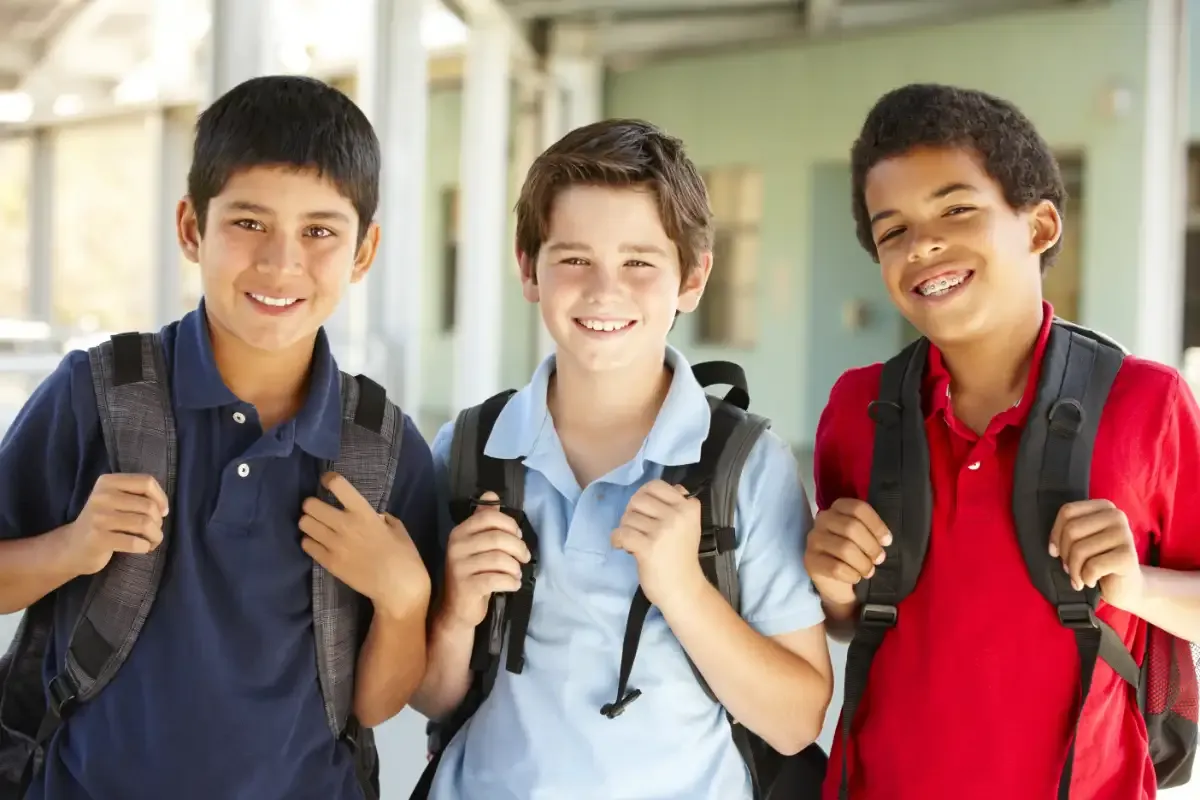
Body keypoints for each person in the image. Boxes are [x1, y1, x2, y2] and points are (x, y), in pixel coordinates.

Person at [0, 75, 437, 800]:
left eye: (320, 232)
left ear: (364, 251)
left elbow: (376, 706)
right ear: (191, 228)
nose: (280, 262)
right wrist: (70, 548)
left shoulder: (381, 449)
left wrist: (404, 601)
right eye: (248, 222)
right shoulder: (100, 395)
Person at [409, 118, 833, 800]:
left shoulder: (745, 466)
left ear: (692, 279)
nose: (605, 290)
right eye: (573, 258)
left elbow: (796, 721)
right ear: (528, 269)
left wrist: (685, 591)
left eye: (640, 262)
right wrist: (458, 610)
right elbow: (431, 699)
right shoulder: (467, 451)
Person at [804, 82, 1200, 800]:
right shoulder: (858, 407)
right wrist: (832, 588)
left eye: (957, 209)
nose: (922, 242)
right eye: (892, 230)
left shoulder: (1148, 403)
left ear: (1040, 226)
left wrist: (1138, 587)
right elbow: (854, 619)